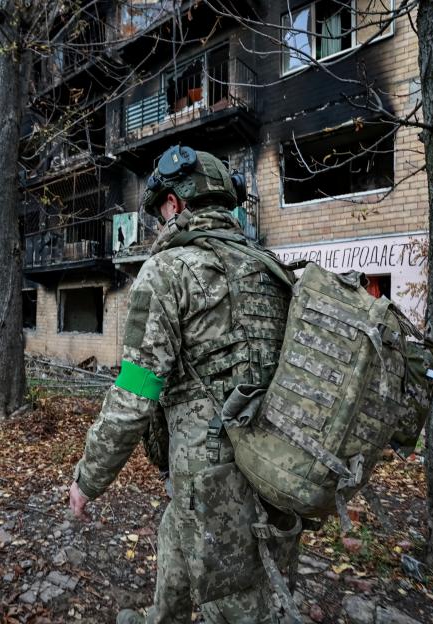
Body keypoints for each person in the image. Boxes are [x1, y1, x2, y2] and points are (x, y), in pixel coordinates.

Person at [68, 147, 301, 624]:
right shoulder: (269, 268)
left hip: (213, 471)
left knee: (234, 600)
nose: (158, 223)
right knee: (178, 530)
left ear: (174, 204)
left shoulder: (169, 270)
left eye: (159, 212)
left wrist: (89, 477)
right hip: (276, 459)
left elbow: (134, 392)